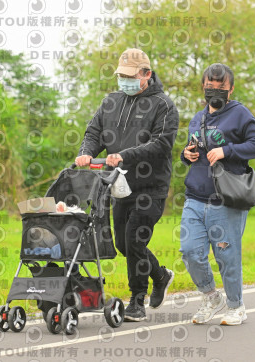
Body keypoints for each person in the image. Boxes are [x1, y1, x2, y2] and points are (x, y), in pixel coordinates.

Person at [75, 48, 179, 321]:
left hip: (150, 188)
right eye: (121, 76)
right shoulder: (110, 102)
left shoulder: (164, 105)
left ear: (146, 74)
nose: (125, 81)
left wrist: (125, 155)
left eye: (131, 76)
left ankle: (137, 300)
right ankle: (160, 275)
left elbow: (161, 144)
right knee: (123, 244)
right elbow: (94, 132)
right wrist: (86, 152)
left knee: (135, 239)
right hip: (118, 185)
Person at [180, 63, 255, 325]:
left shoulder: (240, 114)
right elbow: (193, 149)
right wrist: (186, 154)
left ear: (231, 89)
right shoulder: (197, 118)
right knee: (190, 252)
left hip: (225, 200)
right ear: (203, 87)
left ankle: (236, 306)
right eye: (210, 87)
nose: (214, 91)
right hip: (195, 197)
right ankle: (211, 296)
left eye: (221, 87)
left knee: (227, 256)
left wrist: (226, 151)